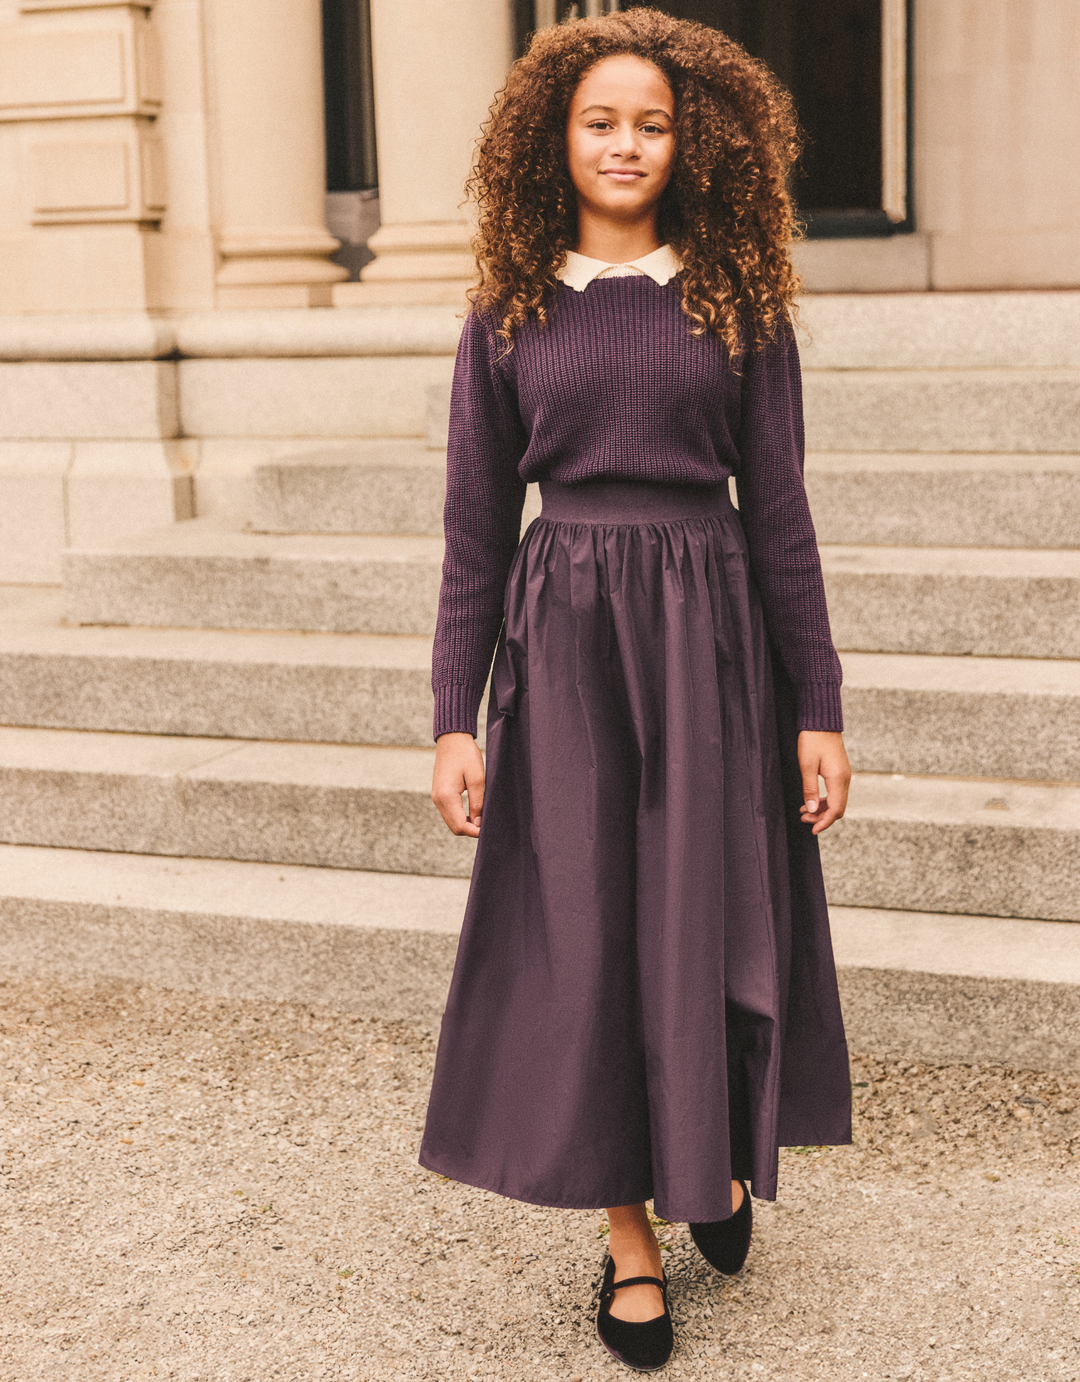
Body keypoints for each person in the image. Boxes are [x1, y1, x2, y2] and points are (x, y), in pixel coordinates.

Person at [422, 8, 852, 1372]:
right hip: (571, 653)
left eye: (652, 123)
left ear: (691, 140)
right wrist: (451, 711)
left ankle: (709, 1159)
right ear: (556, 137)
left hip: (715, 636)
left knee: (711, 915)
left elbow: (780, 512)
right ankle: (629, 1238)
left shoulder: (737, 300)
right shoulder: (509, 305)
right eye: (600, 120)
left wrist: (819, 701)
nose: (626, 143)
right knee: (595, 934)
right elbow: (476, 529)